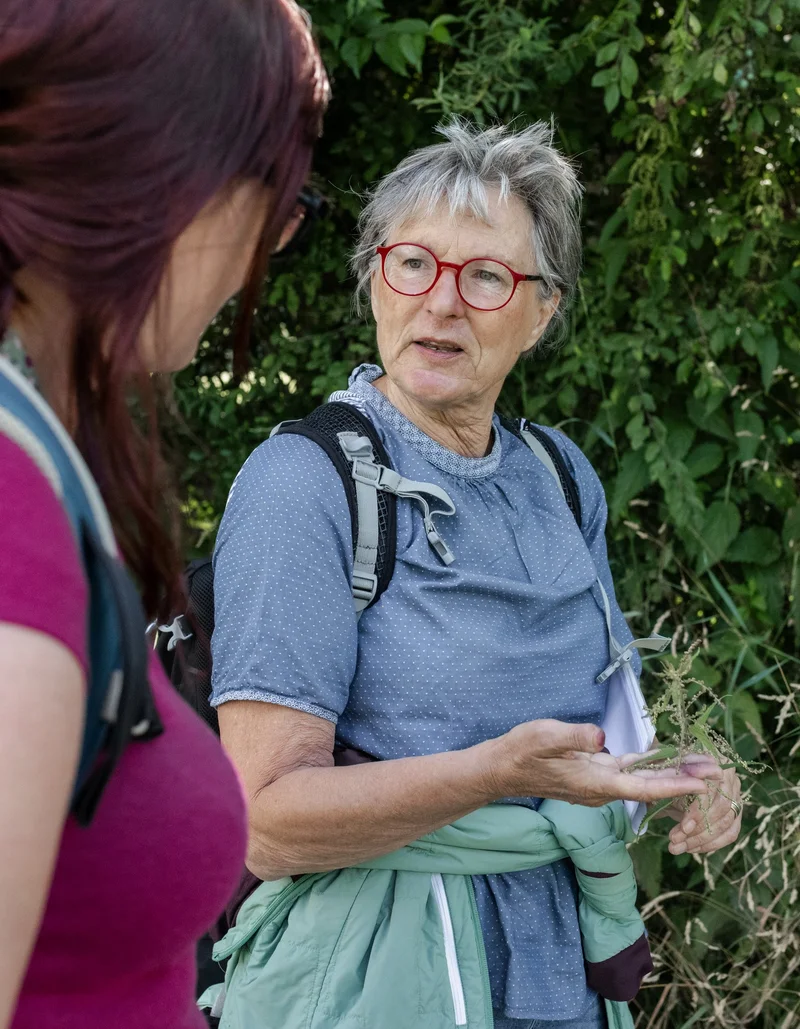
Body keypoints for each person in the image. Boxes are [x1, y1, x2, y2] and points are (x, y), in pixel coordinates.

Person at [210, 121, 743, 1029]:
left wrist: (679, 776)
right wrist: (494, 772)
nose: (441, 303)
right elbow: (263, 821)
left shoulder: (560, 477)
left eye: (487, 276)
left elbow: (599, 739)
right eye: (413, 262)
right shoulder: (306, 482)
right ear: (376, 278)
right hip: (378, 973)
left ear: (543, 313)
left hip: (555, 973)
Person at [0, 1, 328, 1027]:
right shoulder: (14, 523)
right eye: (281, 200)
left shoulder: (41, 467)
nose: (271, 248)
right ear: (172, 181)